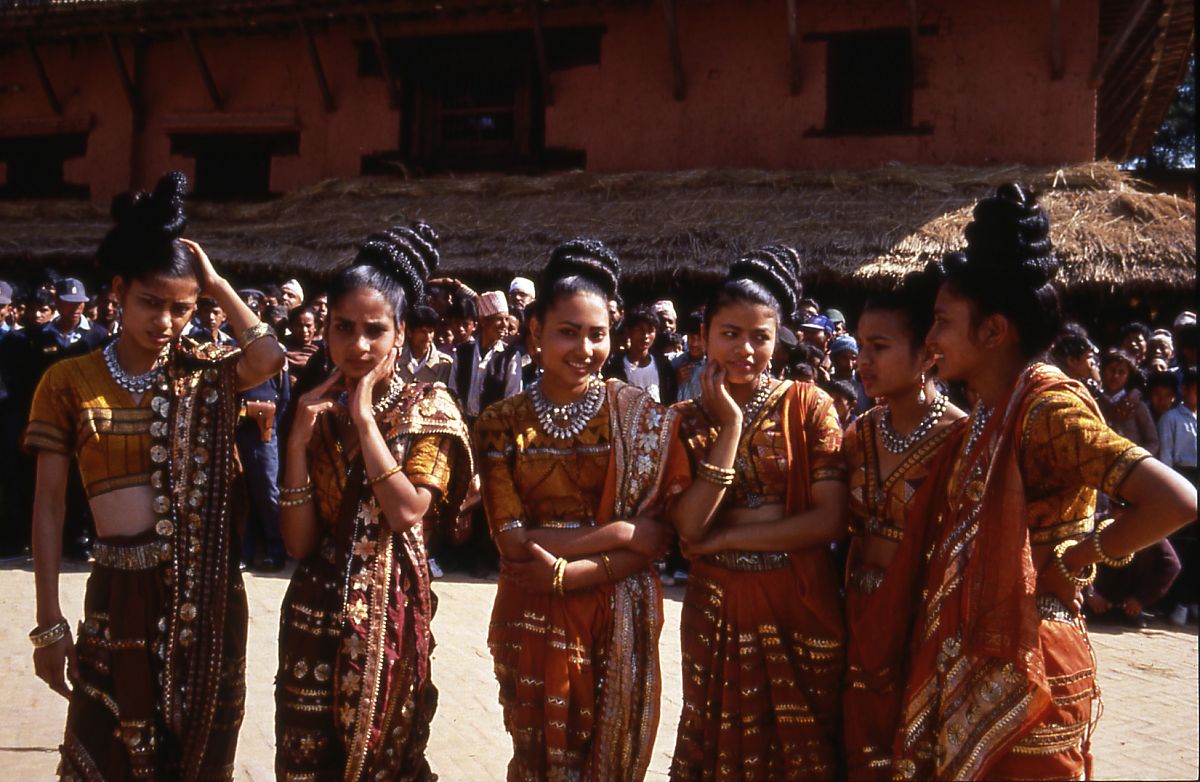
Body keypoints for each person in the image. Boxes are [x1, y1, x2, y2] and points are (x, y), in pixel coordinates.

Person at [893, 184, 1197, 780]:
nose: (929, 339)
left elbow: (1176, 499)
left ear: (993, 330)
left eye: (941, 322)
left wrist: (1084, 553)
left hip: (1036, 664)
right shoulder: (989, 408)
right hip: (983, 652)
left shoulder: (1046, 409)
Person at [25, 171, 285, 779]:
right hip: (118, 591)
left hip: (205, 594)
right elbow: (49, 508)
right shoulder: (68, 383)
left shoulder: (203, 372)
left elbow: (268, 358)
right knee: (104, 747)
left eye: (182, 308)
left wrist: (218, 285)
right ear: (117, 292)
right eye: (151, 302)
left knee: (195, 755)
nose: (166, 321)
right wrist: (47, 624)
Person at [478, 238, 684, 781]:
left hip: (615, 610)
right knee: (540, 759)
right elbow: (513, 541)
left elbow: (657, 538)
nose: (584, 348)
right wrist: (618, 531)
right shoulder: (501, 422)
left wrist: (582, 563)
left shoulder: (635, 414)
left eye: (597, 335)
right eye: (568, 332)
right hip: (533, 605)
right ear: (535, 333)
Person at [275, 222, 472, 780]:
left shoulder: (429, 407)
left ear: (399, 331)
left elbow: (407, 510)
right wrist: (295, 444)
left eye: (373, 330)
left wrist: (363, 420)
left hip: (390, 618)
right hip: (313, 617)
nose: (357, 345)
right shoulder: (314, 413)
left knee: (385, 760)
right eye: (343, 328)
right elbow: (299, 542)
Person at [666, 246, 848, 781]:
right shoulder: (682, 419)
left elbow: (828, 520)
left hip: (798, 600)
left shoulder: (810, 405)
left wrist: (725, 539)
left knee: (802, 748)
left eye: (760, 337)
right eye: (730, 334)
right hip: (717, 607)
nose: (745, 350)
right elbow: (688, 526)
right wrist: (729, 427)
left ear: (778, 339)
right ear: (703, 336)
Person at [840, 269, 968, 781]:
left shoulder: (960, 439)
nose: (863, 361)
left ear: (926, 355)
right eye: (860, 345)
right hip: (856, 614)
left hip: (922, 624)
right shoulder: (859, 433)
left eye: (880, 346)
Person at [604, 304, 677, 404]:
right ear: (628, 331)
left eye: (650, 331)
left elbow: (670, 397)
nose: (645, 336)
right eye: (640, 330)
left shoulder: (663, 365)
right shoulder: (615, 366)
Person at [1098, 348, 1159, 455]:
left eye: (1121, 372)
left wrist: (1136, 458)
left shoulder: (1138, 406)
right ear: (1103, 371)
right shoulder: (1095, 402)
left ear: (1128, 376)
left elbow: (1153, 442)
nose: (1115, 376)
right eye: (1111, 370)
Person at [399, 305, 453, 385]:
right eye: (422, 332)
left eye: (431, 331)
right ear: (410, 333)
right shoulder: (396, 359)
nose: (428, 337)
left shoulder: (444, 364)